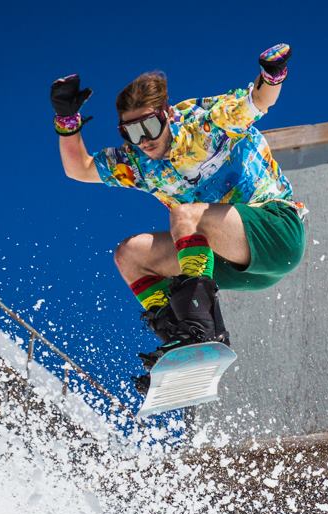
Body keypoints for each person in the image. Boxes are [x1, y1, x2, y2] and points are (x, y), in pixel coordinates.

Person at [49, 45, 307, 393]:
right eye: (133, 134)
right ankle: (181, 336)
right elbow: (78, 169)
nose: (146, 142)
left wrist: (272, 74)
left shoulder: (205, 121)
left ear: (167, 114)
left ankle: (200, 328)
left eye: (151, 127)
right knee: (130, 254)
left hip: (276, 232)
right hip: (231, 261)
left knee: (185, 215)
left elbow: (260, 101)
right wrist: (68, 123)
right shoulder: (137, 164)